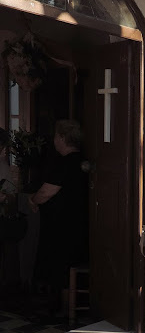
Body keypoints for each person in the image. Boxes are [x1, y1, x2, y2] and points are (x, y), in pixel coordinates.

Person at [29, 120, 89, 313]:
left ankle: (64, 310)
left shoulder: (64, 163)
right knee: (69, 263)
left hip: (63, 224)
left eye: (56, 135)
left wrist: (33, 200)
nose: (54, 139)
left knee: (62, 266)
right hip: (81, 221)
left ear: (62, 138)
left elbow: (46, 193)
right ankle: (68, 309)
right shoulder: (84, 161)